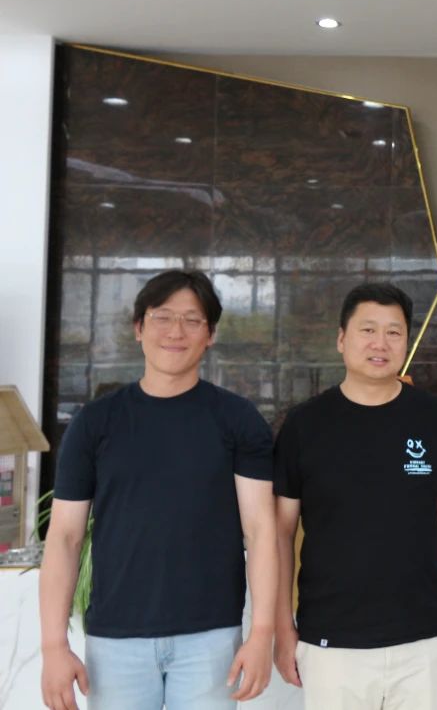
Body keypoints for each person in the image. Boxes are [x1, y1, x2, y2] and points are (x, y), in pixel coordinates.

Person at [39, 270, 276, 710]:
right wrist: (54, 646)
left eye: (192, 320)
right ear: (138, 328)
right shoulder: (95, 423)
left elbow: (261, 529)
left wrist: (262, 633)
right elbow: (65, 536)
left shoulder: (238, 420)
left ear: (210, 335)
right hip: (115, 640)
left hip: (211, 638)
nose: (175, 331)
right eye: (162, 317)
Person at [272, 283, 437, 710]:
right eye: (367, 330)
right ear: (341, 339)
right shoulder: (305, 425)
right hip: (331, 641)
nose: (380, 343)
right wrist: (282, 628)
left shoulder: (434, 418)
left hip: (423, 637)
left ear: (406, 342)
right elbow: (280, 532)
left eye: (393, 332)